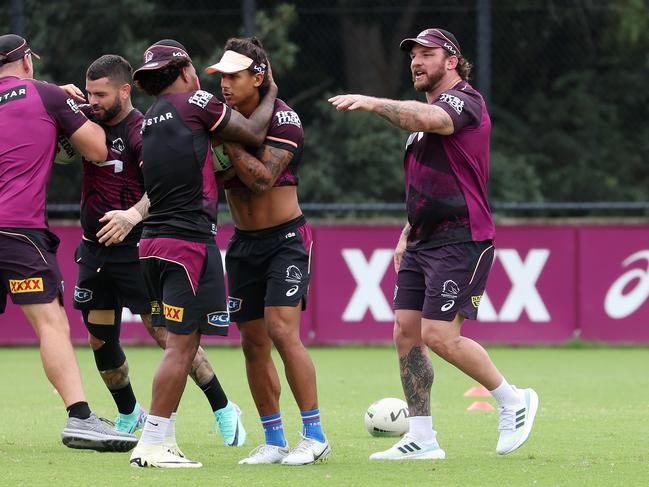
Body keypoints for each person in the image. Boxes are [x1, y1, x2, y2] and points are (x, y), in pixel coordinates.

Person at [329, 28, 539, 460]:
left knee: (439, 334)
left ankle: (513, 400)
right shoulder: (419, 127)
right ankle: (422, 439)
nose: (417, 62)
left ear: (452, 60)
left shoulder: (464, 100)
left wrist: (372, 102)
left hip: (463, 237)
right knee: (406, 333)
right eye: (413, 56)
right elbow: (425, 184)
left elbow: (431, 119)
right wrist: (407, 232)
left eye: (428, 54)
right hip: (424, 241)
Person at [61, 54, 246, 447]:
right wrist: (60, 103)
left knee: (165, 335)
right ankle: (129, 413)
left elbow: (160, 186)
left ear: (125, 90)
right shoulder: (86, 121)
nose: (93, 101)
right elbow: (58, 144)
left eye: (101, 94)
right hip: (95, 252)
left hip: (135, 251)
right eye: (89, 92)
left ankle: (223, 406)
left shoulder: (142, 129)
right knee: (99, 338)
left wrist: (131, 215)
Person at [126, 39, 277, 468]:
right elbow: (253, 133)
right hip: (187, 243)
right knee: (181, 346)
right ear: (187, 68)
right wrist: (270, 92)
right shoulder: (196, 102)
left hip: (153, 245)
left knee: (180, 344)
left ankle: (163, 440)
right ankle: (153, 443)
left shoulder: (150, 117)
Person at [0, 34, 138, 452]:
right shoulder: (45, 95)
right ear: (26, 61)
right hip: (17, 230)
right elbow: (97, 149)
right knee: (52, 325)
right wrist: (64, 112)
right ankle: (80, 417)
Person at [205, 37, 331, 466]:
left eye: (234, 77)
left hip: (286, 241)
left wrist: (226, 138)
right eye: (221, 76)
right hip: (243, 244)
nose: (224, 85)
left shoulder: (284, 117)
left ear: (258, 77)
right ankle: (274, 440)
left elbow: (261, 179)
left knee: (281, 330)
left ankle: (314, 434)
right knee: (252, 343)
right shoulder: (217, 116)